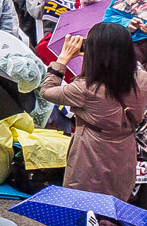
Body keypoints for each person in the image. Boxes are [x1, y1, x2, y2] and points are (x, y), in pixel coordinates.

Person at [41, 21, 147, 197]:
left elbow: (47, 91)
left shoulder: (85, 89)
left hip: (90, 154)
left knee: (82, 203)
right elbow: (119, 72)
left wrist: (62, 59)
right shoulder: (142, 79)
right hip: (125, 151)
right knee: (115, 202)